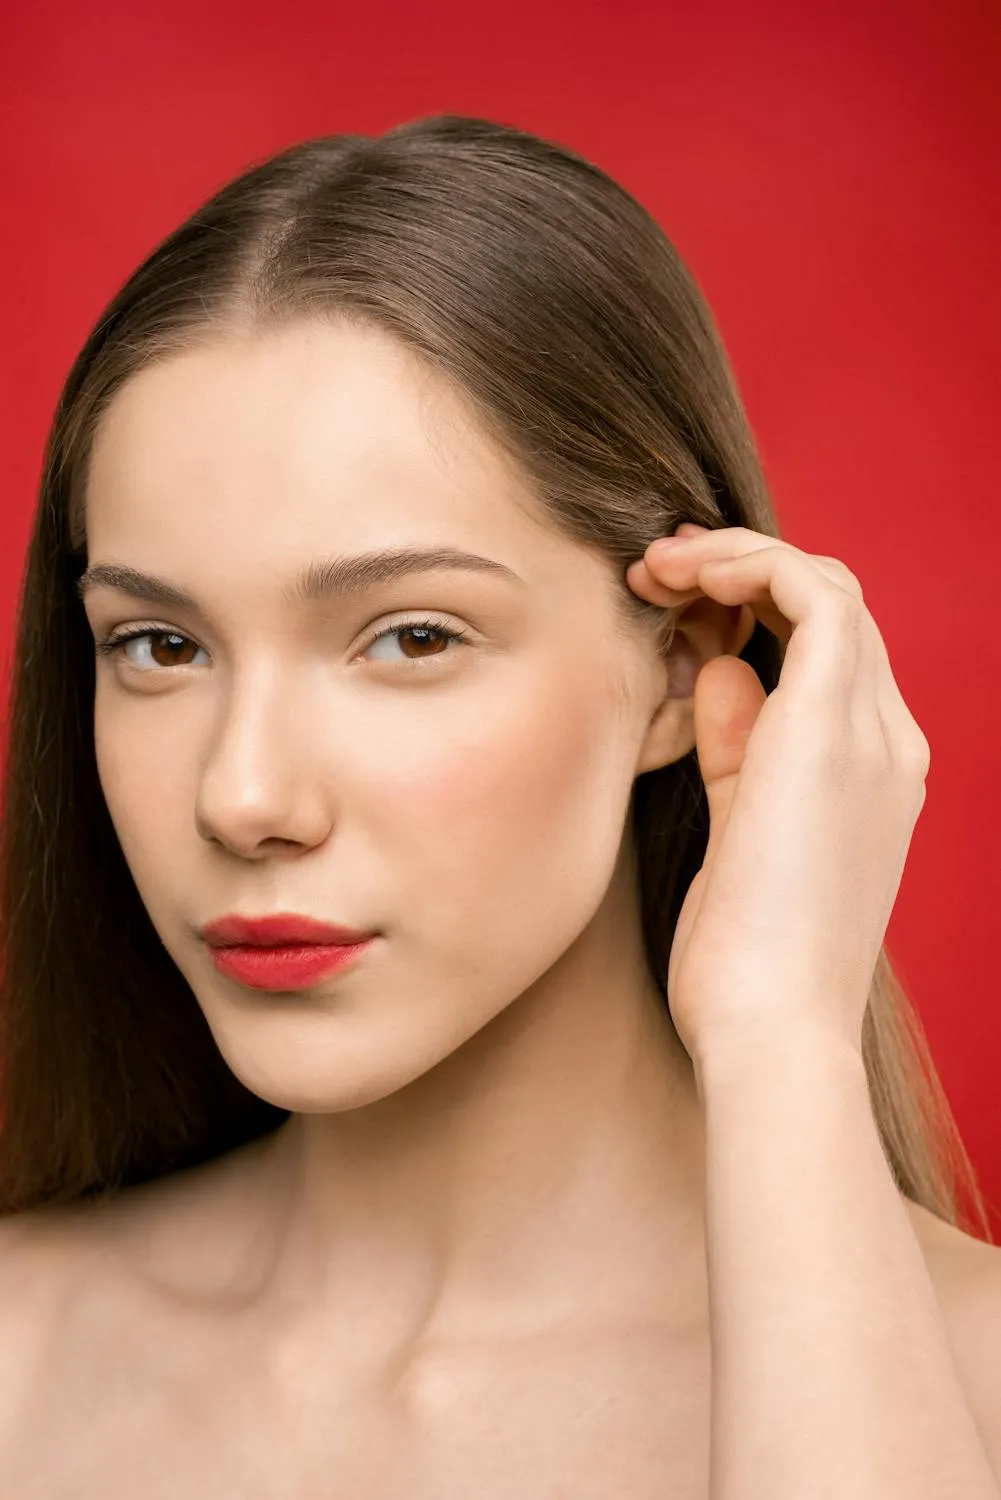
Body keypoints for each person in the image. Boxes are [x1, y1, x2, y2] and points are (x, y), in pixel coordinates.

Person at [0, 113, 998, 1498]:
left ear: (682, 668)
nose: (243, 798)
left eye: (410, 638)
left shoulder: (971, 1387)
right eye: (160, 647)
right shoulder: (18, 1352)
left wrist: (781, 1031)